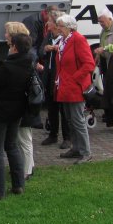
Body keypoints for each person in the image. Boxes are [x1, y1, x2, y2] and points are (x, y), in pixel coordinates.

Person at [0, 33, 34, 199]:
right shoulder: (28, 64)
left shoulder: (8, 67)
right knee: (11, 146)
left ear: (15, 47)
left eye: (10, 44)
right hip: (17, 110)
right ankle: (18, 184)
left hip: (0, 111)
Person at [55, 14, 95, 164]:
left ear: (69, 27)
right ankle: (76, 148)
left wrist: (75, 78)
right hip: (65, 86)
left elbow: (89, 63)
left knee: (78, 120)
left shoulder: (78, 39)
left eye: (60, 26)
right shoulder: (64, 40)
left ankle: (86, 152)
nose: (58, 28)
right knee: (70, 120)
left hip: (75, 88)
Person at [4, 21, 38, 180]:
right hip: (20, 102)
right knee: (20, 137)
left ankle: (27, 170)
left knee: (24, 138)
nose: (4, 36)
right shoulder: (22, 53)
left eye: (7, 33)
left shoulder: (26, 56)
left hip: (24, 103)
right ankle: (26, 166)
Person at [39, 11, 71, 148]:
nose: (48, 24)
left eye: (50, 22)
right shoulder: (49, 36)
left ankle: (67, 138)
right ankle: (53, 134)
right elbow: (40, 51)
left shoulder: (65, 38)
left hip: (60, 77)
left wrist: (59, 50)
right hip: (49, 75)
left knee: (63, 110)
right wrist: (46, 49)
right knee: (51, 107)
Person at [93, 10, 113, 127]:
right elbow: (101, 44)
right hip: (106, 62)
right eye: (99, 22)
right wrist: (98, 55)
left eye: (102, 21)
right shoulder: (104, 30)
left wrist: (104, 49)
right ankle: (109, 114)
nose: (101, 24)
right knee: (106, 87)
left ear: (110, 19)